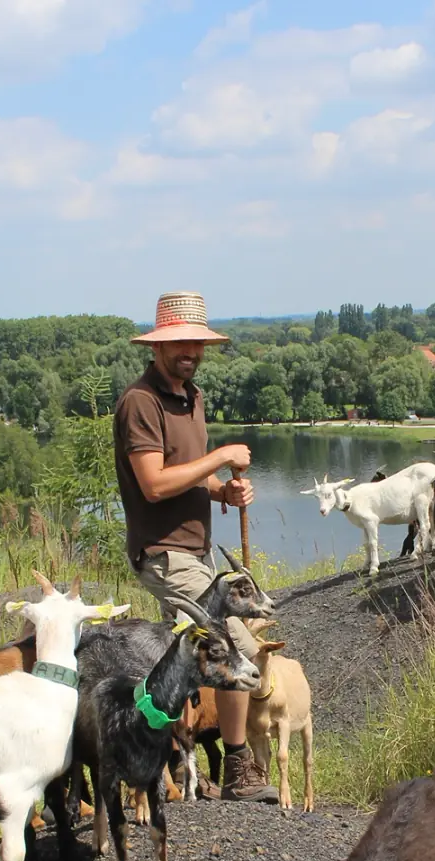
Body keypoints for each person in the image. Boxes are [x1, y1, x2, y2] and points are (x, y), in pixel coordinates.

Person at [113, 291, 279, 804]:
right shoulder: (140, 402)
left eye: (196, 342)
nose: (189, 350)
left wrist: (222, 490)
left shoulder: (192, 396)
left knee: (187, 656)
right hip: (164, 552)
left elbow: (186, 477)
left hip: (197, 549)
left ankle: (171, 758)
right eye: (179, 342)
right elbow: (155, 484)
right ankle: (236, 768)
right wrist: (221, 457)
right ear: (159, 346)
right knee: (236, 648)